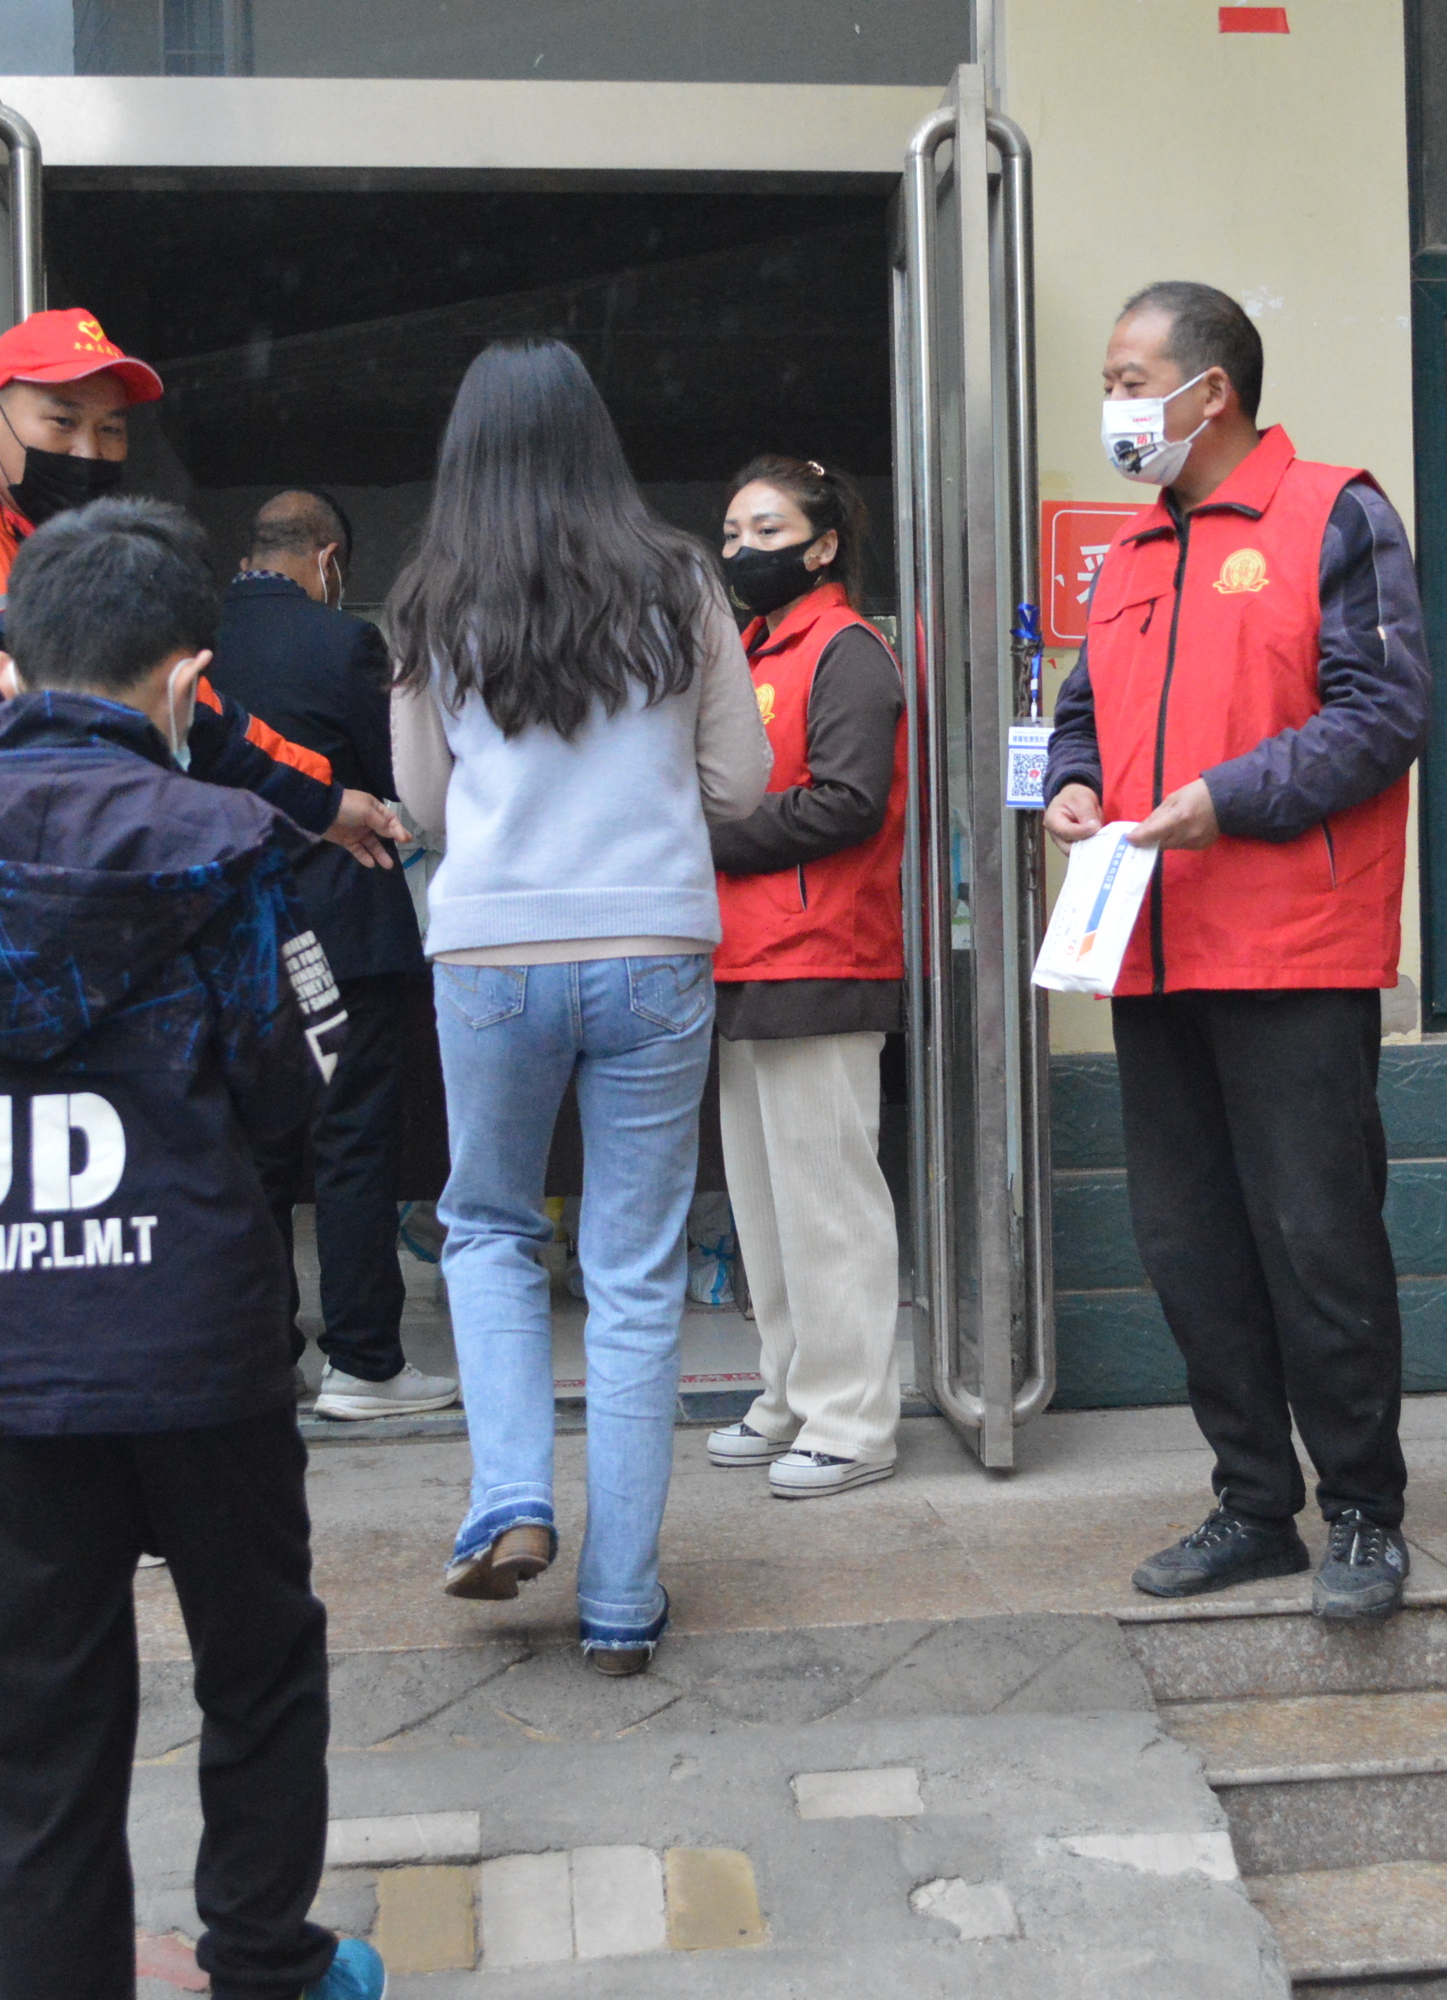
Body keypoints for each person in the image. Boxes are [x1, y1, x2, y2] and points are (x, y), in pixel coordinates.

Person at [0, 497, 385, 2000]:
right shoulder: (229, 842)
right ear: (192, 683)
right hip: (199, 1342)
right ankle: (264, 1959)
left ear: (4, 678)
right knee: (258, 1665)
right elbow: (289, 1085)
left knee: (34, 1717)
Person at [0, 308, 398, 1610]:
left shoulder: (87, 564)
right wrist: (4, 913)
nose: (86, 446)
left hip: (116, 967)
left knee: (116, 1222)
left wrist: (332, 803)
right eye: (58, 421)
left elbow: (208, 717)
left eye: (109, 426)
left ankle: (125, 1475)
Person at [1042, 282, 1431, 1623]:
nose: (1114, 407)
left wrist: (1230, 798)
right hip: (1149, 950)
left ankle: (1366, 1511)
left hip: (1291, 951)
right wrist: (1074, 790)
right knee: (1188, 1244)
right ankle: (1253, 1505)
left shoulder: (1337, 513)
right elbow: (1080, 716)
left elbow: (1386, 710)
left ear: (1211, 391)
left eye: (1129, 375)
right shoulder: (1130, 557)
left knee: (1316, 1238)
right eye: (1107, 380)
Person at [388, 337, 770, 1676]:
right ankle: (619, 1597)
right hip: (656, 942)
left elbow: (426, 808)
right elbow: (742, 781)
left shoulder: (433, 597)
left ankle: (511, 1496)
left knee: (488, 1228)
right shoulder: (683, 584)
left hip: (491, 953)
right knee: (632, 1267)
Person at [209, 490, 458, 1422]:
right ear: (327, 556)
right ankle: (363, 1362)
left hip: (233, 935)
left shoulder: (193, 643)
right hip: (342, 928)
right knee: (353, 1142)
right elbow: (397, 781)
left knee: (259, 1153)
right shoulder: (340, 642)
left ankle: (265, 1357)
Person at [701, 456, 909, 1498]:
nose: (742, 550)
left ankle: (852, 1415)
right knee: (767, 1206)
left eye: (767, 529)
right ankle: (788, 1389)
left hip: (822, 954)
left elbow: (847, 801)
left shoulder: (847, 650)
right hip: (745, 955)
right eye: (733, 530)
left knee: (828, 1203)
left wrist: (704, 837)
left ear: (822, 544)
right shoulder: (747, 648)